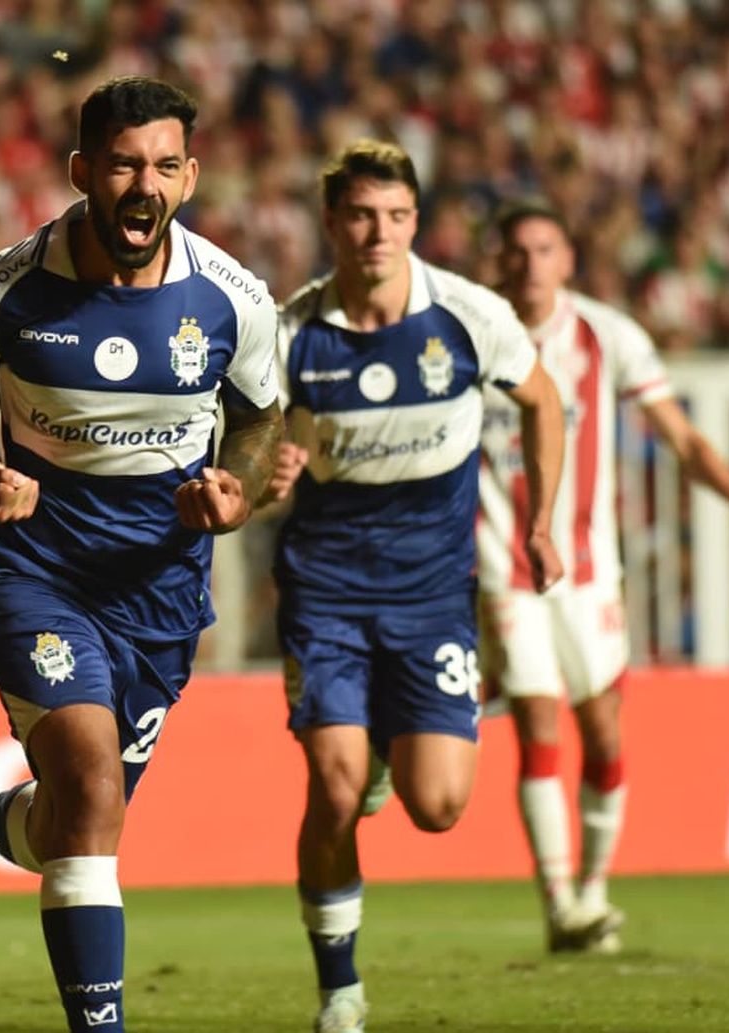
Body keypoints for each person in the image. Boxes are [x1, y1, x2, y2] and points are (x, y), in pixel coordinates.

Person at [0, 76, 282, 1033]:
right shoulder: (1, 288)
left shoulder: (233, 301)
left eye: (164, 165)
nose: (142, 184)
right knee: (85, 785)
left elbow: (259, 414)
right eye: (122, 164)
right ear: (83, 172)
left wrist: (233, 489)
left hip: (161, 590)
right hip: (39, 570)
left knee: (80, 819)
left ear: (191, 177)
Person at [264, 140, 566, 1033]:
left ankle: (396, 751)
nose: (378, 233)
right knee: (333, 781)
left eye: (396, 216)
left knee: (438, 807)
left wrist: (542, 520)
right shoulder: (293, 332)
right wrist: (267, 466)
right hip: (324, 594)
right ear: (332, 223)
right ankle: (340, 990)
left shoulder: (468, 317)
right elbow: (249, 440)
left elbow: (543, 401)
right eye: (360, 215)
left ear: (416, 223)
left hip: (432, 596)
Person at [476, 199, 729, 953]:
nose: (530, 265)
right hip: (502, 565)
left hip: (591, 569)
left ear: (568, 260)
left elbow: (681, 439)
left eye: (544, 249)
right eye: (516, 251)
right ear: (499, 261)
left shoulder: (606, 335)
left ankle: (591, 889)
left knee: (603, 731)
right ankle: (560, 901)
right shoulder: (470, 331)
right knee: (537, 721)